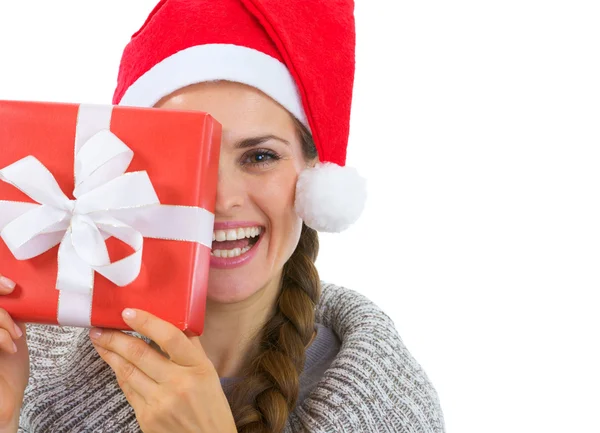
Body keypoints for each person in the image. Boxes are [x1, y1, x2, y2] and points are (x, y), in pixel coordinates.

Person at [0, 1, 445, 432]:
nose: (220, 199)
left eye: (260, 156)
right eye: (185, 157)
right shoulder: (33, 357)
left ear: (313, 178)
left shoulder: (386, 401)